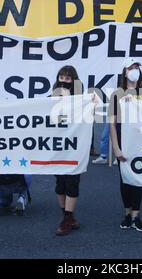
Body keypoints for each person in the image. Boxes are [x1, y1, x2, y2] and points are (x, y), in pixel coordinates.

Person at [109, 58, 142, 232]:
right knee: (125, 178)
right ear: (124, 72)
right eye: (131, 67)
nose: (135, 70)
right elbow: (111, 123)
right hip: (122, 140)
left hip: (140, 142)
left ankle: (136, 216)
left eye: (137, 67)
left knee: (137, 178)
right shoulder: (117, 93)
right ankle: (127, 214)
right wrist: (116, 148)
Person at [52, 65, 83, 236]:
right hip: (57, 147)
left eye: (68, 78)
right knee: (60, 183)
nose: (64, 81)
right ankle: (67, 216)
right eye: (61, 77)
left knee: (72, 181)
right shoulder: (52, 97)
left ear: (74, 81)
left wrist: (70, 99)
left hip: (75, 146)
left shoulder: (80, 98)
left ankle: (67, 218)